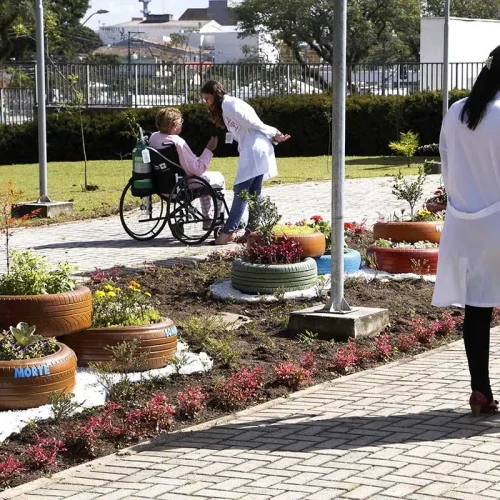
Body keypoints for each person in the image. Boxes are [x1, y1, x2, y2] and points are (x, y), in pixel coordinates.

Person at [432, 45, 500, 416]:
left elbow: (447, 167)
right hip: (498, 219)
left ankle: (481, 390)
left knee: (477, 310)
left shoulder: (457, 111)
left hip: (464, 225)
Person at [201, 80, 290, 245]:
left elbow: (253, 123)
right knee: (253, 192)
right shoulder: (227, 105)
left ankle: (228, 231)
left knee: (241, 190)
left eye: (207, 98)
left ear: (214, 94)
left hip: (254, 149)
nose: (206, 102)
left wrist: (274, 133)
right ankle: (252, 231)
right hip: (254, 148)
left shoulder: (229, 104)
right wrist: (273, 135)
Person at [149, 107, 224, 229]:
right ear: (174, 126)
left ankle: (208, 217)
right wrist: (209, 150)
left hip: (163, 187)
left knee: (206, 180)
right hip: (181, 186)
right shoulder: (178, 143)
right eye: (180, 121)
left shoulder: (153, 138)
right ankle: (213, 218)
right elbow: (197, 170)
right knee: (217, 178)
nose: (182, 123)